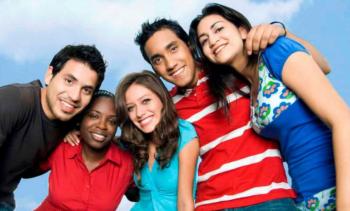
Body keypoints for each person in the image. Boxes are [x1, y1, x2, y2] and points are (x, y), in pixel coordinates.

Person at [134, 17, 331, 210]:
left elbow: (322, 66)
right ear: (154, 70)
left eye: (173, 48)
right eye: (157, 59)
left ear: (189, 45)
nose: (170, 63)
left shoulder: (231, 68)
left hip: (268, 198)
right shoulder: (166, 107)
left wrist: (282, 32)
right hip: (210, 204)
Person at [189, 3, 350, 210]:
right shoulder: (249, 90)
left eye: (218, 29)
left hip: (341, 189)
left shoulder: (274, 53)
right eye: (204, 41)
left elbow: (343, 120)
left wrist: (345, 204)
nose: (213, 40)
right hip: (309, 196)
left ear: (243, 31)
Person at [0, 44, 106, 211]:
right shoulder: (13, 100)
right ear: (50, 75)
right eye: (69, 81)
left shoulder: (76, 122)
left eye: (86, 90)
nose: (74, 96)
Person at [34, 90, 134, 210]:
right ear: (81, 118)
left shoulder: (126, 163)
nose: (102, 126)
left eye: (112, 121)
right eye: (94, 116)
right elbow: (26, 169)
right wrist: (60, 132)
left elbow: (143, 194)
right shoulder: (61, 146)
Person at [114, 70, 199, 211]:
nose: (139, 113)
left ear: (161, 98)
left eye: (145, 101)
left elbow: (185, 204)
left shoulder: (184, 134)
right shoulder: (134, 142)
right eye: (130, 108)